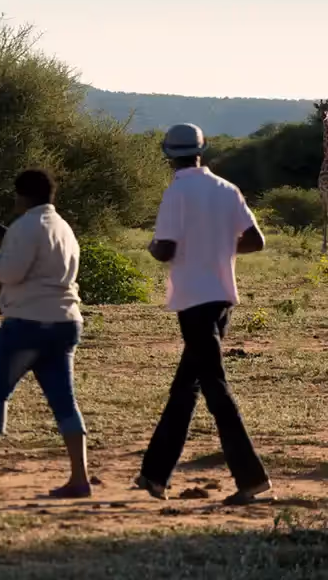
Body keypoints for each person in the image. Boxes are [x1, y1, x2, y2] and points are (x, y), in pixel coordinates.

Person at [135, 123, 272, 506]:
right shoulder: (227, 189)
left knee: (214, 389)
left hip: (193, 301)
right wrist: (220, 252)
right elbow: (256, 241)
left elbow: (164, 249)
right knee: (185, 389)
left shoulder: (177, 192)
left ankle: (252, 479)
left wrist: (152, 246)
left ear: (168, 155)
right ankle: (154, 476)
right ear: (202, 149)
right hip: (222, 299)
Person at [0, 169, 91, 498]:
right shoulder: (63, 227)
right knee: (64, 401)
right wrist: (6, 235)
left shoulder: (27, 226)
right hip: (65, 321)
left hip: (28, 323)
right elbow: (40, 259)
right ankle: (79, 477)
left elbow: (9, 272)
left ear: (22, 195)